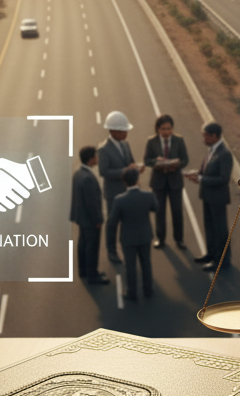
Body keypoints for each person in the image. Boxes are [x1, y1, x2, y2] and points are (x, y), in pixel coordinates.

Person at [185, 122, 233, 272]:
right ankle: (211, 254)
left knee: (219, 231)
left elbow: (223, 179)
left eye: (206, 136)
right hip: (207, 196)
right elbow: (205, 170)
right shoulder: (211, 151)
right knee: (210, 228)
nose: (203, 139)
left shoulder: (224, 154)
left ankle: (222, 261)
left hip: (217, 198)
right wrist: (196, 174)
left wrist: (201, 180)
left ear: (214, 136)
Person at [97, 110, 144, 261]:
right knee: (112, 223)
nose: (126, 134)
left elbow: (130, 162)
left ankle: (125, 247)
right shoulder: (103, 149)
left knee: (127, 221)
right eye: (123, 131)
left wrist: (136, 168)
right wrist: (125, 170)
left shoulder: (125, 145)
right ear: (113, 131)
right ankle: (111, 250)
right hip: (113, 193)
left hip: (127, 191)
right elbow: (104, 171)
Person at [107, 168, 158, 300]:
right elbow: (156, 208)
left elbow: (113, 221)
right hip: (145, 235)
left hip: (128, 237)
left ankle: (132, 292)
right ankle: (148, 290)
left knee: (130, 266)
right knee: (146, 263)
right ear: (138, 180)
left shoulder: (119, 200)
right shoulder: (148, 195)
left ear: (124, 182)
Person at [142, 113, 189, 250]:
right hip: (158, 182)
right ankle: (160, 239)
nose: (166, 132)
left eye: (169, 128)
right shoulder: (152, 141)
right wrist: (157, 162)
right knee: (159, 211)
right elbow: (147, 160)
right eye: (163, 129)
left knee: (177, 211)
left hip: (175, 181)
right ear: (157, 129)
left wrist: (176, 164)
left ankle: (179, 239)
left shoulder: (179, 140)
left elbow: (185, 159)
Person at [69, 145, 108, 285]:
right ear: (91, 159)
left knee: (83, 244)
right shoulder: (89, 178)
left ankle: (83, 270)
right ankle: (92, 274)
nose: (97, 159)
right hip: (90, 220)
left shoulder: (78, 173)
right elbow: (92, 203)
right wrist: (98, 219)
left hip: (80, 217)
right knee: (92, 246)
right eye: (96, 156)